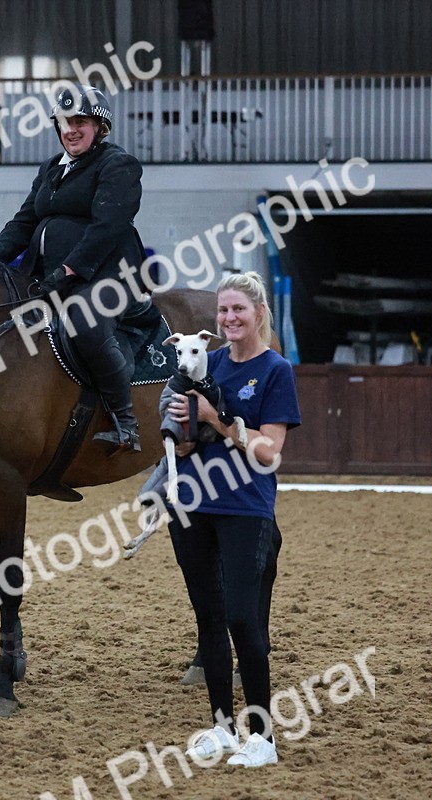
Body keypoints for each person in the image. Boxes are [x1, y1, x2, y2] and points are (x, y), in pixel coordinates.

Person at [163, 271, 300, 767]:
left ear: (258, 313)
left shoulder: (275, 371)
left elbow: (270, 452)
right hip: (194, 508)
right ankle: (221, 726)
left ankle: (262, 735)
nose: (229, 318)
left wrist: (216, 421)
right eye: (223, 310)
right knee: (210, 620)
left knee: (243, 617)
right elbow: (185, 439)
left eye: (238, 309)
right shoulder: (205, 364)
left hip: (246, 508)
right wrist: (179, 431)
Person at [0, 85, 148, 454]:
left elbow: (108, 226)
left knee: (83, 318)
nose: (70, 129)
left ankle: (125, 421)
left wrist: (70, 269)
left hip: (108, 274)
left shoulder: (117, 164)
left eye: (80, 121)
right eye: (63, 122)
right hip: (49, 276)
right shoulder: (50, 168)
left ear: (100, 126)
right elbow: (24, 221)